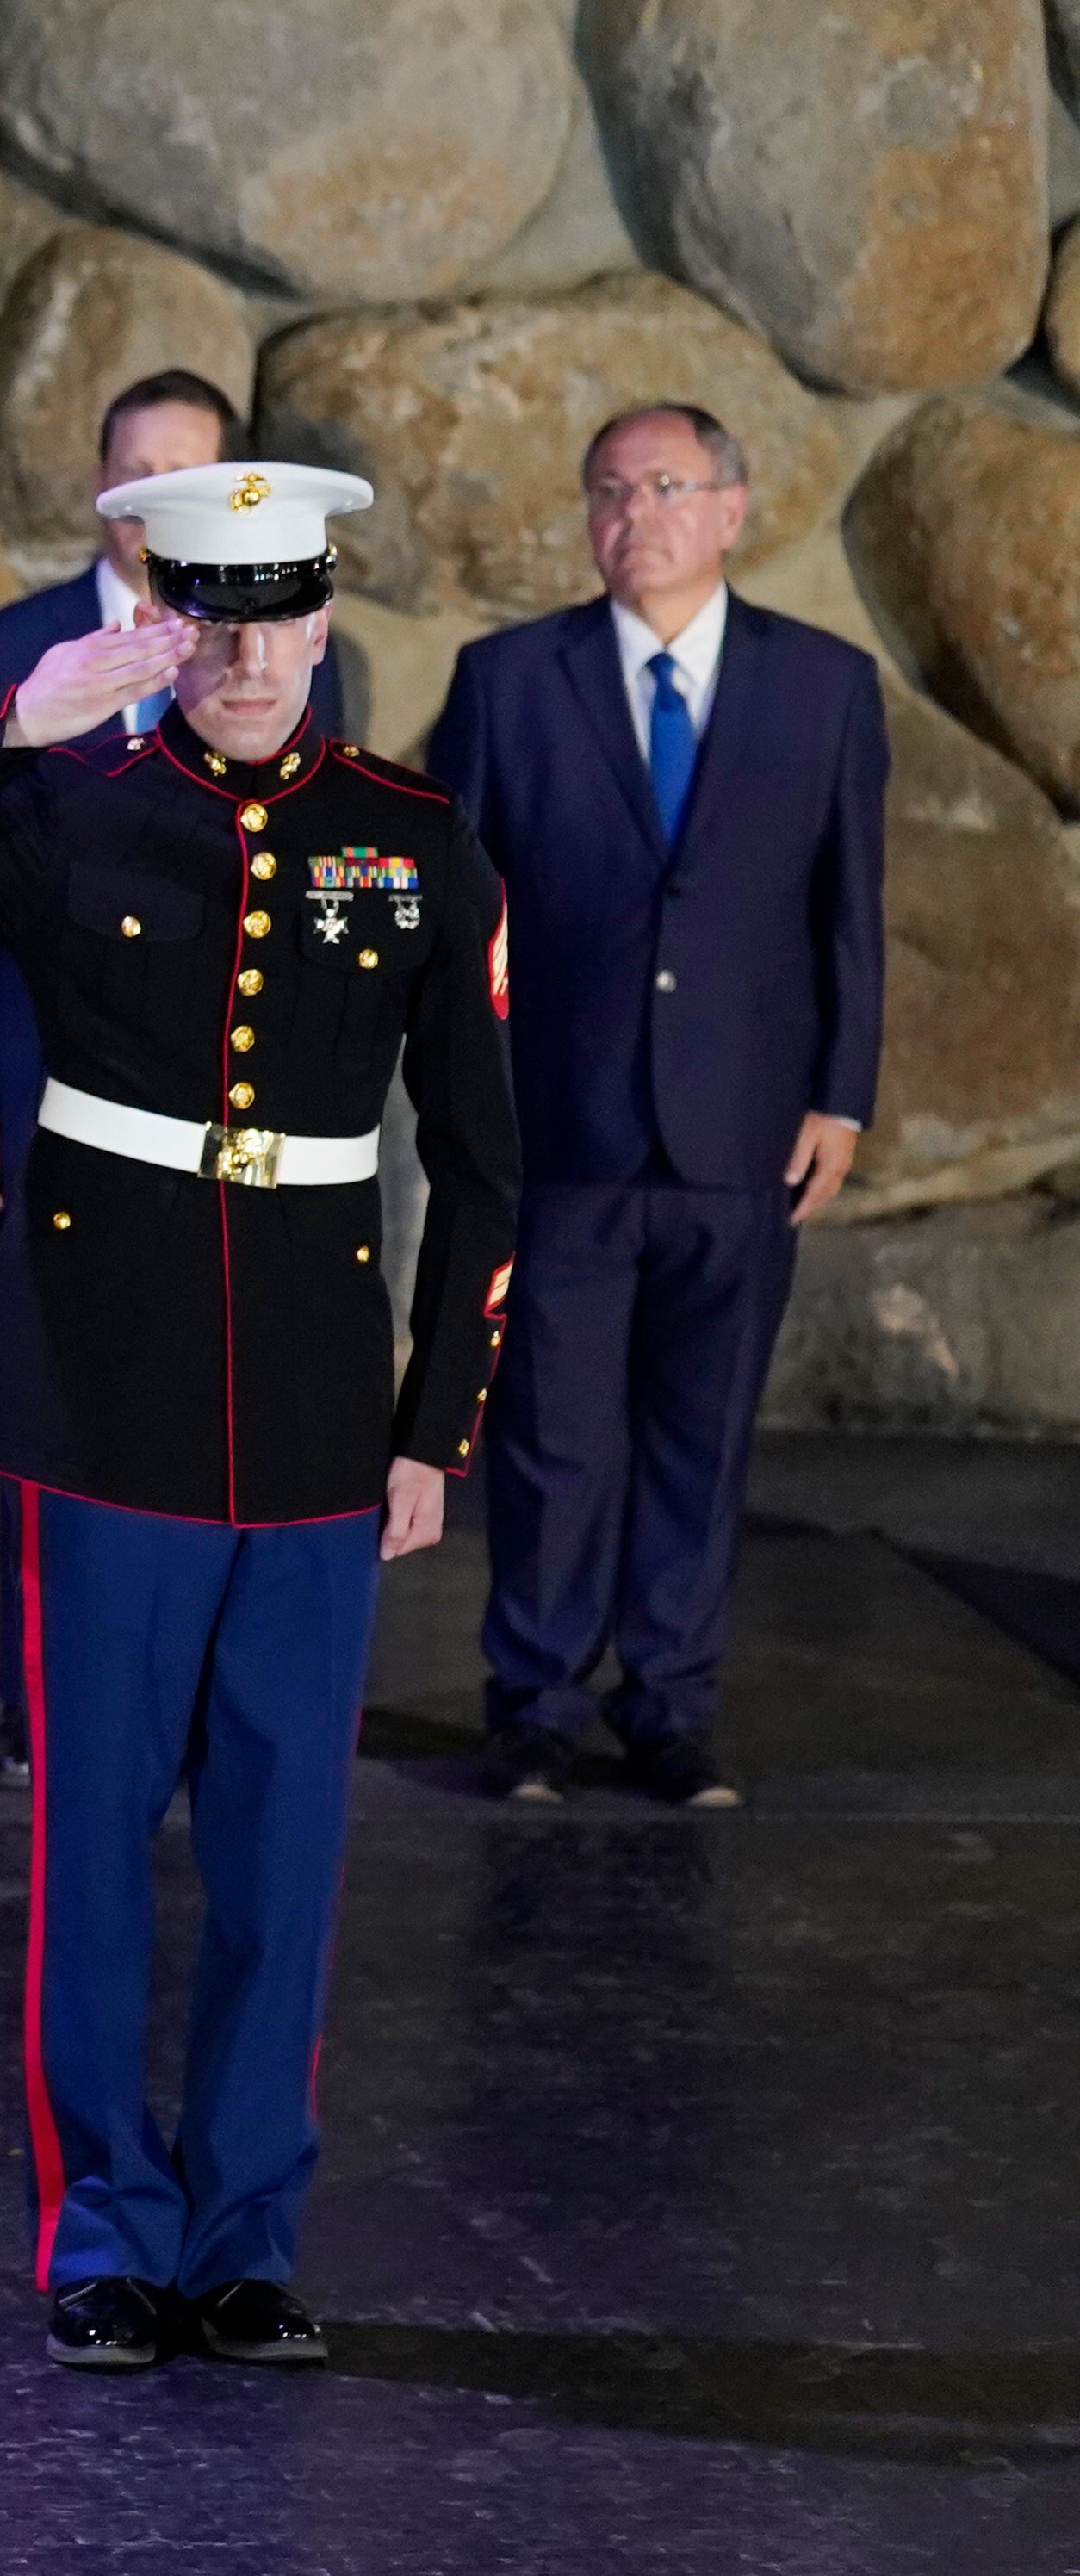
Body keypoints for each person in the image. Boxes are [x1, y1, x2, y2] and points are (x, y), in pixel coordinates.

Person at [0, 461, 518, 2377]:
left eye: (279, 615)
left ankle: (247, 2236)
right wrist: (17, 716)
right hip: (101, 1400)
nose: (249, 653)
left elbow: (490, 1163)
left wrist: (436, 1425)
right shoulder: (61, 803)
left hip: (327, 1418)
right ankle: (105, 2228)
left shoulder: (411, 835)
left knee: (283, 1855)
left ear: (328, 622)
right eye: (209, 614)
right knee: (95, 1845)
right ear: (158, 617)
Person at [424, 402, 885, 1812]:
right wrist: (464, 1103)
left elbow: (847, 913)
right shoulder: (507, 681)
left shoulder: (822, 688)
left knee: (702, 1429)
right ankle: (535, 1707)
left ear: (732, 510)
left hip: (742, 1131)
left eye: (668, 487)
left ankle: (671, 1707)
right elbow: (453, 910)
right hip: (556, 1130)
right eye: (610, 491)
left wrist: (840, 1096)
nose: (638, 516)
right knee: (552, 1435)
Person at [0, 368, 344, 1791]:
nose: (158, 500)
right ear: (104, 490)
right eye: (137, 472)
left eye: (190, 472)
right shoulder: (12, 641)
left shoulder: (279, 647)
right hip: (49, 1098)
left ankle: (190, 1717)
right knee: (51, 1408)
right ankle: (37, 1709)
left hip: (228, 1120)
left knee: (215, 1412)